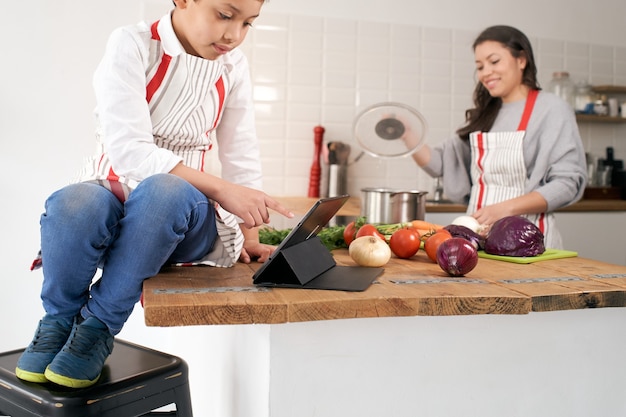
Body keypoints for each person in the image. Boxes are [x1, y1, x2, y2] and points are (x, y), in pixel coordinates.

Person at [16, 0, 293, 389]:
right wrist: (225, 190)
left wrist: (250, 236)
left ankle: (98, 326)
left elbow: (241, 153)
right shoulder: (132, 43)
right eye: (225, 15)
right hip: (112, 191)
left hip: (181, 213)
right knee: (72, 202)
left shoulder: (234, 65)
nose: (235, 35)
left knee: (163, 190)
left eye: (249, 23)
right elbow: (129, 149)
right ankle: (59, 321)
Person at [408, 25, 587, 248]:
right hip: (477, 242)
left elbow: (567, 183)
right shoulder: (484, 115)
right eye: (480, 66)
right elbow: (440, 164)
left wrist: (504, 209)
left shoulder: (551, 109)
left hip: (528, 245)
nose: (485, 73)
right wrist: (405, 133)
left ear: (521, 60)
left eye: (494, 62)